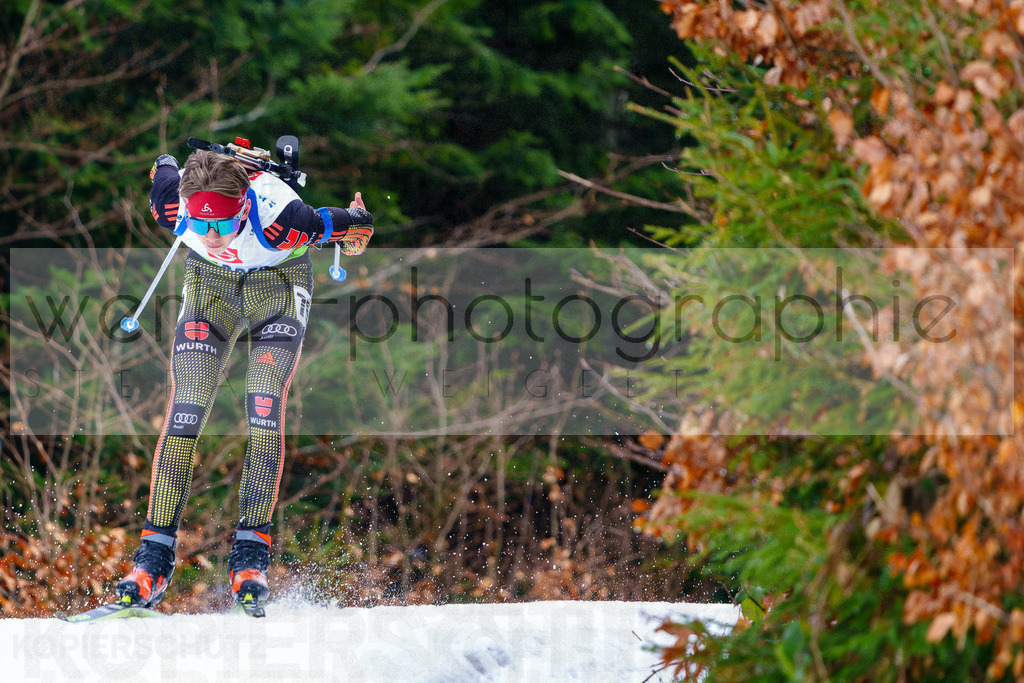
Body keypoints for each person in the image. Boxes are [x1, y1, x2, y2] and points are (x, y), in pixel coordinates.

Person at [115, 148, 372, 609]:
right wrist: (169, 159)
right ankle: (153, 556)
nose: (212, 236)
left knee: (263, 403)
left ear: (246, 206)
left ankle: (251, 552)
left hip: (277, 281)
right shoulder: (174, 205)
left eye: (223, 224)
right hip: (211, 285)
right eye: (202, 225)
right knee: (186, 409)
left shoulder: (283, 217)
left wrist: (358, 223)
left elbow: (350, 224)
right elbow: (163, 163)